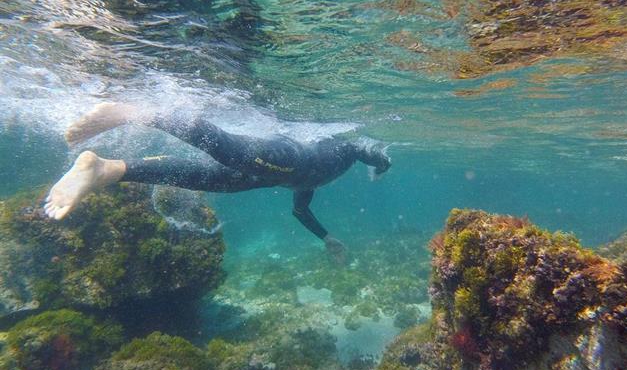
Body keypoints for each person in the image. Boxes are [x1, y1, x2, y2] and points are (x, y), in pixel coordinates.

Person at [44, 103, 391, 259]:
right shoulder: (340, 148)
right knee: (232, 151)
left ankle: (108, 169)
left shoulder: (304, 189)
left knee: (209, 178)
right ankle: (131, 113)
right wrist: (382, 165)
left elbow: (300, 212)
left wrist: (328, 238)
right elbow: (367, 149)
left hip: (274, 175)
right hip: (295, 156)